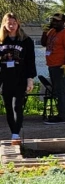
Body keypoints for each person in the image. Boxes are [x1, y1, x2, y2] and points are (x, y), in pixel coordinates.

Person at [0, 12, 37, 141]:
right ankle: (13, 133)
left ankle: (16, 134)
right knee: (8, 108)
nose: (12, 25)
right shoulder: (1, 40)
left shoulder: (26, 41)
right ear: (4, 24)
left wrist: (30, 79)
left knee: (17, 106)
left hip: (20, 78)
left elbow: (30, 61)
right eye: (9, 23)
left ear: (18, 24)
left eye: (14, 23)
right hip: (5, 79)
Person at [41, 13, 65, 124]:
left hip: (60, 66)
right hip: (52, 65)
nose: (54, 22)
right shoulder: (51, 32)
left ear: (63, 22)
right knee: (58, 90)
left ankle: (62, 116)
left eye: (57, 21)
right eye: (53, 20)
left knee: (61, 91)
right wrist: (45, 32)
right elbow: (43, 43)